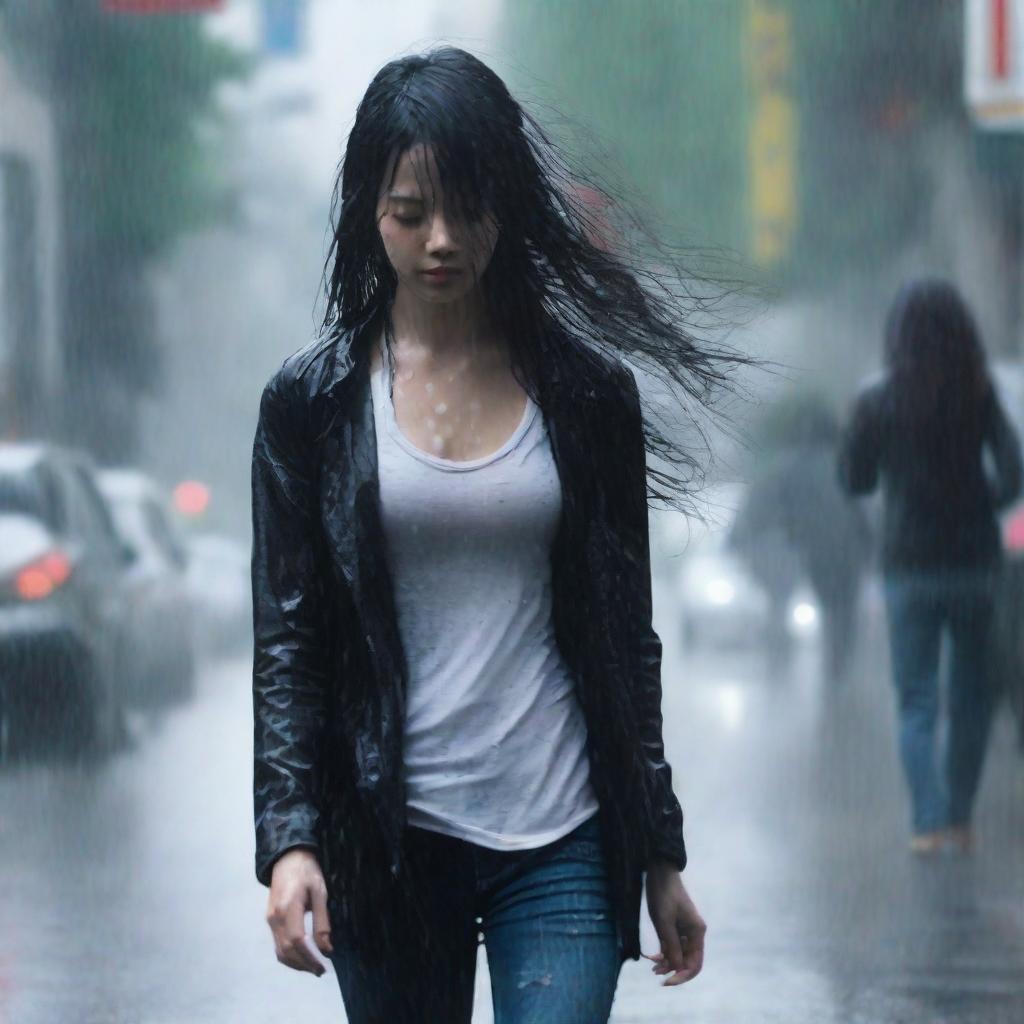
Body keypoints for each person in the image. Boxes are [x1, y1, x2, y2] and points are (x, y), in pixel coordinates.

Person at [251, 47, 734, 1023]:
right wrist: (292, 841)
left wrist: (657, 851)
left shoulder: (591, 396)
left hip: (560, 834)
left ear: (505, 207)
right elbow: (291, 643)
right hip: (389, 842)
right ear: (368, 214)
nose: (440, 239)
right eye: (408, 211)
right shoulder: (311, 406)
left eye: (466, 208)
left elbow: (622, 638)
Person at [838, 278, 1022, 856]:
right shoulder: (978, 392)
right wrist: (980, 504)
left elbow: (854, 479)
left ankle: (928, 822)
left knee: (916, 699)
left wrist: (875, 456)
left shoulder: (879, 399)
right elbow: (1015, 473)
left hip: (909, 566)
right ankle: (961, 820)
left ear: (897, 335)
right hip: (973, 565)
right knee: (970, 697)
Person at [730, 394, 872, 678]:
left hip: (811, 554)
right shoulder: (844, 464)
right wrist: (869, 548)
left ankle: (783, 671)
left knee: (788, 610)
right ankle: (837, 686)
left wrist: (739, 539)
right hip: (843, 556)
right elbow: (864, 513)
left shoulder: (787, 467)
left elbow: (759, 509)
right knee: (841, 626)